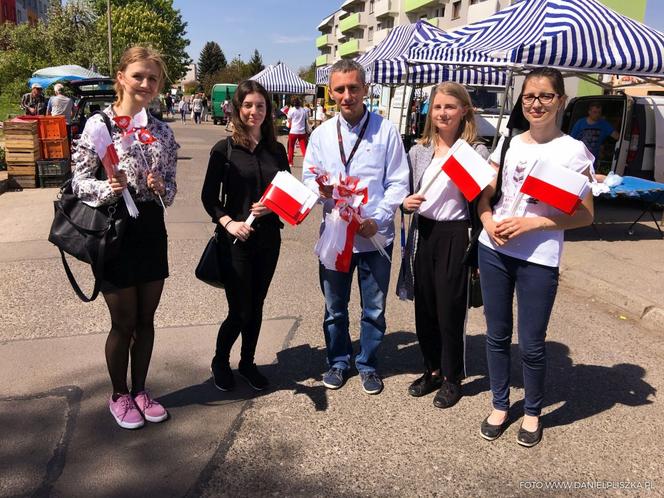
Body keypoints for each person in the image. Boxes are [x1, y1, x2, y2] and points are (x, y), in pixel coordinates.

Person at [476, 67, 594, 447]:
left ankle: (531, 411)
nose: (536, 103)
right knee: (496, 335)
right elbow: (485, 195)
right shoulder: (509, 143)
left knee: (531, 342)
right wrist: (488, 220)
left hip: (538, 257)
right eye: (529, 96)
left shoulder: (573, 151)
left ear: (560, 100)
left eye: (545, 96)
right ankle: (499, 404)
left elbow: (585, 215)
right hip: (492, 249)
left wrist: (533, 225)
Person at [70, 46, 178, 429]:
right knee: (124, 321)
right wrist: (109, 189)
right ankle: (119, 394)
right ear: (121, 77)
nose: (146, 84)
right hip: (114, 229)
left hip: (150, 229)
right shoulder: (99, 126)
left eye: (152, 78)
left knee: (147, 319)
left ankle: (142, 390)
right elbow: (78, 182)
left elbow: (172, 193)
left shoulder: (162, 130)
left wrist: (161, 185)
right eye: (139, 76)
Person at [302, 60, 409, 395]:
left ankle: (367, 364)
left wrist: (376, 217)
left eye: (353, 88)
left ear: (365, 89)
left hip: (374, 237)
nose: (346, 96)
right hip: (336, 236)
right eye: (339, 89)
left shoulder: (386, 131)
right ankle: (338, 361)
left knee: (374, 309)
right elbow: (308, 177)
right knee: (334, 308)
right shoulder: (320, 135)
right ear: (330, 93)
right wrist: (318, 191)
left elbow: (398, 182)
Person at [399, 82, 490, 409]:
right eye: (437, 107)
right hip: (424, 232)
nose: (443, 113)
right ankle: (432, 369)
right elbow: (403, 193)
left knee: (450, 311)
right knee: (424, 309)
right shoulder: (419, 149)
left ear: (464, 110)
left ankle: (453, 378)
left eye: (450, 107)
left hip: (457, 234)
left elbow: (483, 197)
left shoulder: (475, 151)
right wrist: (404, 202)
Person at [202, 80, 290, 392]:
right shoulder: (224, 149)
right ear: (239, 109)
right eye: (249, 105)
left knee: (257, 305)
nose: (255, 111)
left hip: (268, 241)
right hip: (235, 241)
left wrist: (272, 207)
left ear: (268, 110)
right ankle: (220, 361)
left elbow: (286, 193)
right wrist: (228, 222)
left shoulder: (276, 150)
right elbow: (209, 198)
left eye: (261, 106)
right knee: (239, 309)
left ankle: (248, 362)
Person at [286, 96, 309, 166]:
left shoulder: (291, 110)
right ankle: (307, 162)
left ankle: (290, 162)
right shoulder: (304, 110)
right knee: (303, 148)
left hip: (293, 131)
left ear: (293, 103)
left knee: (291, 147)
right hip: (302, 131)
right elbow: (306, 119)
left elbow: (289, 120)